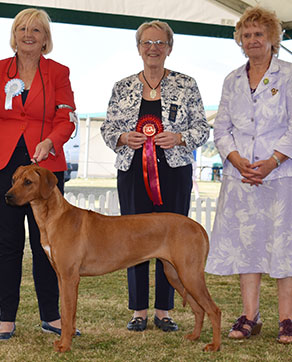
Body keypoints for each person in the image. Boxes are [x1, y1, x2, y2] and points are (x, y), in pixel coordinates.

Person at [101, 20, 209, 332]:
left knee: (172, 244)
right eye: (147, 43)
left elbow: (202, 128)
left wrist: (180, 138)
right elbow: (108, 127)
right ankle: (138, 311)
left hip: (174, 172)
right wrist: (123, 137)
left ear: (169, 49)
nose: (153, 48)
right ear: (138, 48)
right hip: (133, 172)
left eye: (160, 43)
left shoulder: (186, 84)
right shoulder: (122, 87)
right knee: (132, 241)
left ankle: (164, 311)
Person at [205, 6, 292, 344]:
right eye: (247, 35)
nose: (253, 40)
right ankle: (249, 316)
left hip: (281, 176)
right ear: (240, 40)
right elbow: (221, 128)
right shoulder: (232, 80)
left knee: (284, 247)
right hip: (239, 177)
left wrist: (273, 160)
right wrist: (236, 158)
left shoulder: (288, 75)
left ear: (273, 38)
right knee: (247, 246)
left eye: (259, 34)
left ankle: (287, 319)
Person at [0, 8, 78, 340]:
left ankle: (52, 317)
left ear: (46, 39)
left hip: (45, 169)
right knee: (9, 245)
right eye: (23, 29)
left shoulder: (58, 72)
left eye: (37, 30)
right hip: (3, 167)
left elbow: (67, 117)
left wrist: (51, 141)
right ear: (14, 35)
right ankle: (7, 320)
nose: (29, 34)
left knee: (50, 246)